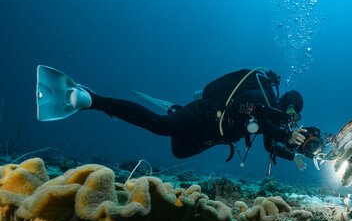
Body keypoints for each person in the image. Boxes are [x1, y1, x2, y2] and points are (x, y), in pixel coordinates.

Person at [36, 66, 310, 170]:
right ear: (285, 103)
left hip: (212, 133)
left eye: (295, 118)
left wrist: (292, 155)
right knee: (161, 127)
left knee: (179, 152)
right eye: (291, 113)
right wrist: (286, 134)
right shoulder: (262, 97)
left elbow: (268, 143)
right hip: (203, 113)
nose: (291, 120)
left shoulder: (275, 120)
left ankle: (174, 109)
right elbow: (259, 115)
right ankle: (90, 99)